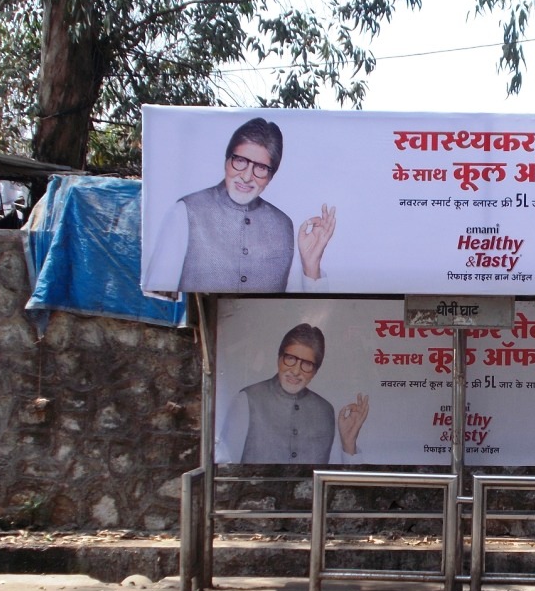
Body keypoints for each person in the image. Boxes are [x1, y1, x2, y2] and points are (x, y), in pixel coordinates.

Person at [144, 117, 336, 293]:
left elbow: (301, 309)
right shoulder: (185, 212)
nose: (246, 176)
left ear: (270, 177)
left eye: (260, 168)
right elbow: (158, 301)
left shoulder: (284, 226)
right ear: (227, 161)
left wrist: (311, 266)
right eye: (240, 161)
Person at [217, 323, 369, 464]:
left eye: (307, 364)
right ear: (279, 358)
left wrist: (349, 444)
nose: (296, 371)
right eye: (290, 359)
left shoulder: (325, 410)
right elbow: (225, 466)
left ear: (315, 371)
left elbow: (339, 481)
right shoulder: (246, 400)